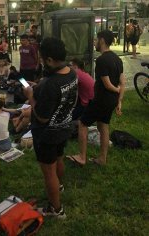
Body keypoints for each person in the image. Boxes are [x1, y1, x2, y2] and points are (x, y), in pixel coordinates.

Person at [23, 37, 78, 219]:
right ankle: (59, 186)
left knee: (49, 172)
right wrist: (38, 87)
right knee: (59, 158)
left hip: (47, 134)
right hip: (64, 128)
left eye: (42, 58)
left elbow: (41, 116)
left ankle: (56, 209)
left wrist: (31, 96)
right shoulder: (71, 72)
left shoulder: (50, 85)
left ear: (49, 60)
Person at [68, 30, 125, 166]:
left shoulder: (101, 60)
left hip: (101, 100)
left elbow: (107, 83)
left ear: (103, 41)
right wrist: (119, 100)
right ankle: (102, 159)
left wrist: (116, 90)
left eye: (96, 40)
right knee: (103, 126)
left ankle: (82, 157)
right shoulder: (117, 59)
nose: (94, 42)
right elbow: (123, 81)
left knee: (83, 123)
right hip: (111, 100)